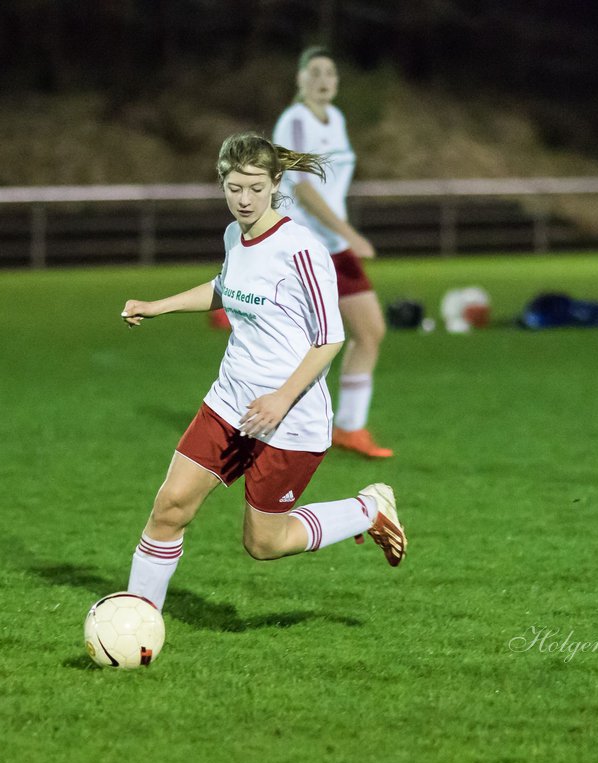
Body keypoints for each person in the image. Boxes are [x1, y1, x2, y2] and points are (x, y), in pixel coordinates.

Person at [119, 131, 406, 610]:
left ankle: (368, 510)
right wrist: (157, 306)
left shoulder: (301, 249)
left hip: (290, 419)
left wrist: (280, 399)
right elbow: (226, 286)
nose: (244, 199)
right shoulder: (234, 234)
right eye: (234, 188)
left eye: (255, 187)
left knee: (264, 544)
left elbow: (331, 338)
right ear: (222, 185)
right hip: (230, 401)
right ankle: (136, 617)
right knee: (169, 508)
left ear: (276, 182)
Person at [272, 46, 392, 459]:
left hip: (334, 245)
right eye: (316, 72)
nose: (324, 79)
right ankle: (267, 422)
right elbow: (303, 189)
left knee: (370, 331)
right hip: (306, 246)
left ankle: (349, 428)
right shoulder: (294, 121)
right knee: (303, 342)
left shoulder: (335, 119)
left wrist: (342, 234)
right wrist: (349, 232)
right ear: (300, 80)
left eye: (330, 73)